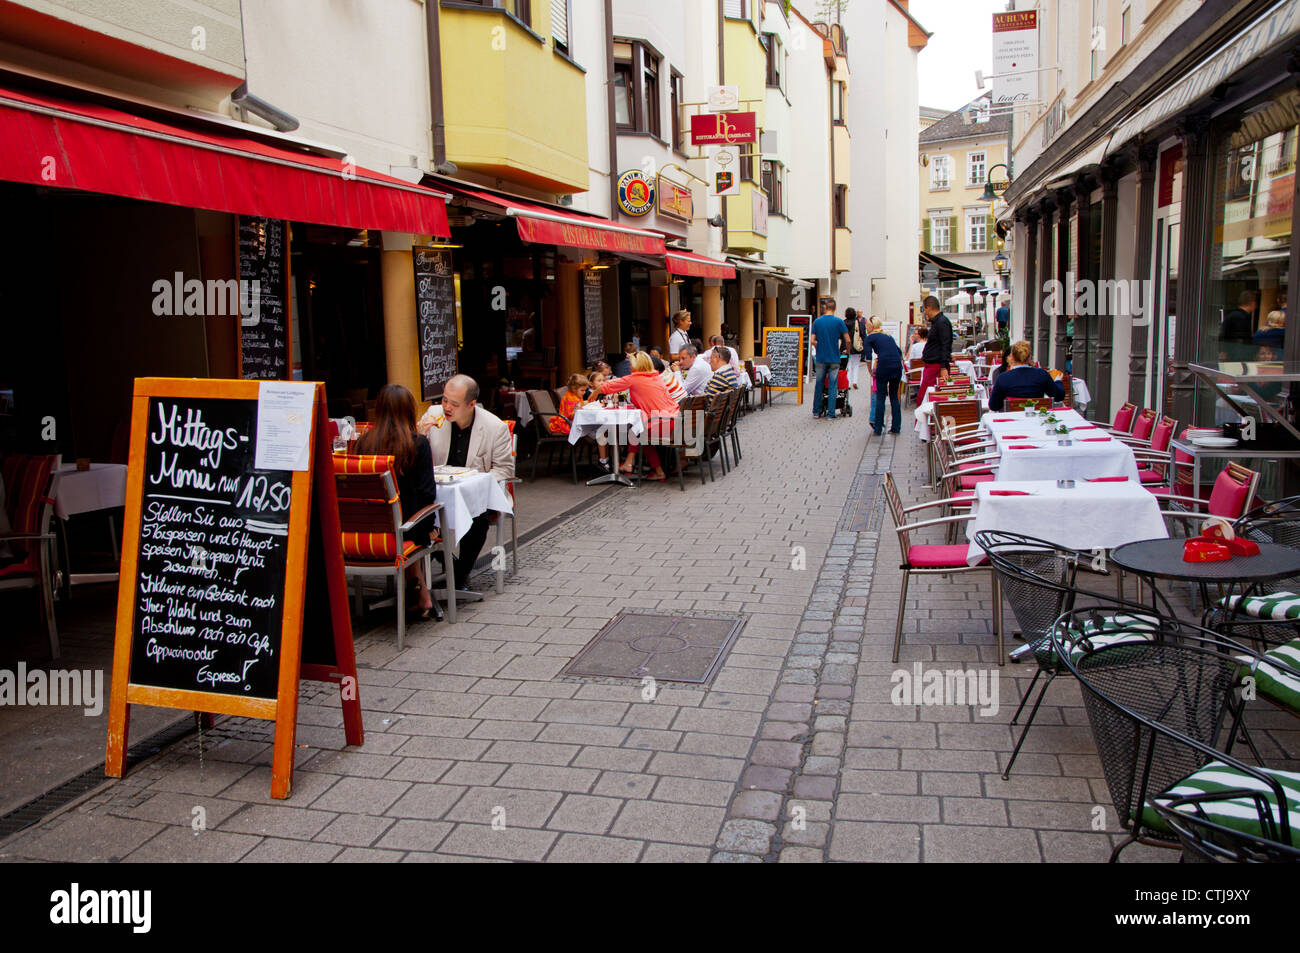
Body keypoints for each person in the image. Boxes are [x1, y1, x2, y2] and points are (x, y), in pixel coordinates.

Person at [426, 374, 515, 589]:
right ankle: (424, 575)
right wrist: (419, 437)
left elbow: (504, 469)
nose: (446, 407)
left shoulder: (494, 427)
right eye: (444, 400)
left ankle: (460, 573)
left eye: (454, 404)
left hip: (475, 494)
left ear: (471, 404)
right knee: (417, 516)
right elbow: (417, 460)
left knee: (479, 520)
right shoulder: (433, 415)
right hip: (437, 492)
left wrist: (474, 482)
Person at [357, 384, 438, 620]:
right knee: (418, 522)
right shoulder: (417, 444)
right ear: (409, 411)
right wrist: (431, 526)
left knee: (401, 521)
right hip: (407, 527)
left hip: (371, 528)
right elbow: (427, 493)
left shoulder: (363, 444)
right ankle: (421, 592)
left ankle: (418, 591)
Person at [592, 351, 677, 481]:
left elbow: (605, 387)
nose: (629, 367)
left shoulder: (634, 379)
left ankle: (630, 464)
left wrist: (590, 399)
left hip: (662, 423)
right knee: (637, 429)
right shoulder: (656, 377)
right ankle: (635, 465)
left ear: (637, 366)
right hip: (675, 421)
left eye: (631, 364)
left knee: (637, 432)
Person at [989, 340, 1065, 411]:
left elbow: (994, 406)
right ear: (1029, 357)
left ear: (1012, 357)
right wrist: (1058, 381)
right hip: (1036, 421)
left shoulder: (1003, 378)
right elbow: (1058, 397)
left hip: (1012, 421)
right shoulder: (1042, 374)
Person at [862, 318, 904, 436]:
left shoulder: (870, 338)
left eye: (867, 325)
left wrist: (870, 371)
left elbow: (868, 356)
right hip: (896, 367)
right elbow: (899, 352)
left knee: (880, 398)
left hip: (884, 367)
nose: (866, 328)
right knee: (894, 397)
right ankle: (896, 427)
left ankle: (878, 428)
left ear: (872, 326)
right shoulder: (888, 336)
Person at [810, 299, 850, 419]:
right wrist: (847, 350)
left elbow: (812, 340)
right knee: (833, 385)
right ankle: (831, 414)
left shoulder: (817, 321)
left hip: (821, 358)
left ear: (825, 307)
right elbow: (847, 339)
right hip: (834, 358)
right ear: (835, 308)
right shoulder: (839, 322)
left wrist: (818, 345)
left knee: (819, 384)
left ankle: (816, 411)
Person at [918, 295, 952, 405]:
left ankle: (926, 421)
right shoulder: (937, 322)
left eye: (924, 309)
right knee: (925, 398)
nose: (924, 312)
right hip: (932, 366)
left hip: (936, 367)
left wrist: (943, 367)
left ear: (928, 308)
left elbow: (945, 345)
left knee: (925, 399)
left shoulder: (942, 322)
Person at [845, 307, 868, 390]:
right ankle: (855, 381)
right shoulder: (857, 322)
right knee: (856, 365)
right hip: (856, 346)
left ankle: (848, 383)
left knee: (848, 365)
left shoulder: (844, 322)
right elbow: (862, 333)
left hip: (846, 347)